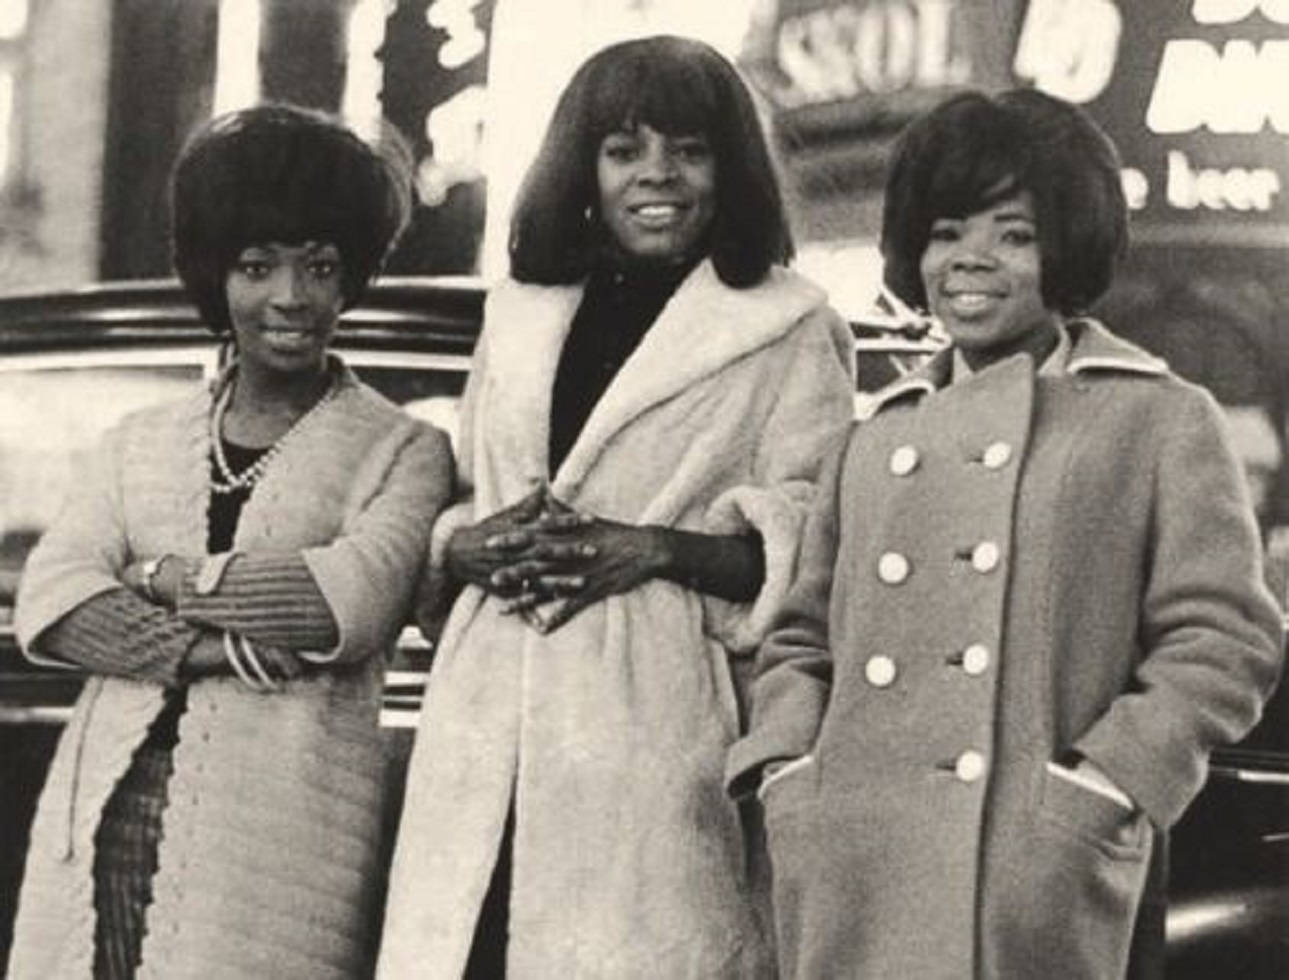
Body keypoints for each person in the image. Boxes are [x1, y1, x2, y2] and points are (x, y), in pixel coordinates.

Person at [726, 88, 1285, 980]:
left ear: (1064, 249)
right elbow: (799, 639)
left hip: (1035, 871)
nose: (968, 261)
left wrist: (1103, 788)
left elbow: (1224, 639)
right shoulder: (873, 438)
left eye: (1011, 234)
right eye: (945, 233)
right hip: (856, 865)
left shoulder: (1159, 419)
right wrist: (789, 775)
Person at [378, 35, 855, 979]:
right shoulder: (518, 310)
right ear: (585, 167)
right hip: (486, 718)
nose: (657, 176)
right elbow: (473, 492)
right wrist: (461, 547)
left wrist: (654, 548)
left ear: (729, 169)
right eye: (624, 149)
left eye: (689, 149)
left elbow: (816, 542)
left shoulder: (787, 326)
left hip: (652, 731)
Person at [8, 104, 453, 979]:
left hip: (281, 844)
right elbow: (52, 598)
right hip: (103, 816)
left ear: (350, 279)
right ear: (218, 277)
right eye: (257, 267)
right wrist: (215, 652)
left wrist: (156, 576)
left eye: (320, 268)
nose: (290, 298)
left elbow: (344, 602)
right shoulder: (136, 440)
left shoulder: (402, 449)